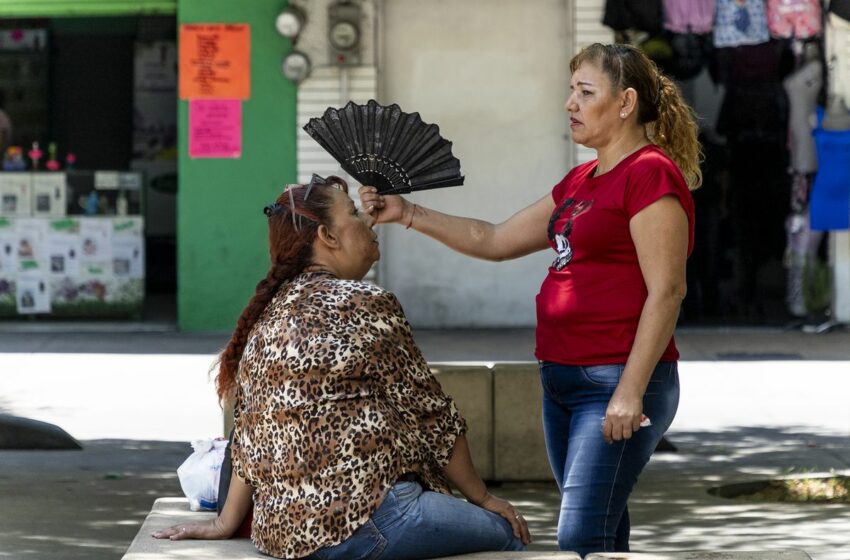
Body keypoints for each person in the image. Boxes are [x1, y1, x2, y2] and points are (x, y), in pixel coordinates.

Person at [359, 43, 700, 555]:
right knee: (602, 528)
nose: (570, 104)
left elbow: (668, 290)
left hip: (614, 380)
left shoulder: (649, 173)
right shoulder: (581, 182)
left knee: (580, 535)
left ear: (626, 102)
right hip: (560, 379)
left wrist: (630, 391)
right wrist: (406, 212)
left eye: (586, 92)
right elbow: (493, 240)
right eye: (571, 91)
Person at [153, 175, 530, 559]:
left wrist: (223, 523)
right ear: (327, 237)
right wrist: (484, 498)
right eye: (352, 213)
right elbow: (432, 418)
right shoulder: (364, 302)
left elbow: (250, 435)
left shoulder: (269, 313)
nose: (367, 222)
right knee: (508, 533)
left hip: (284, 536)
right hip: (371, 521)